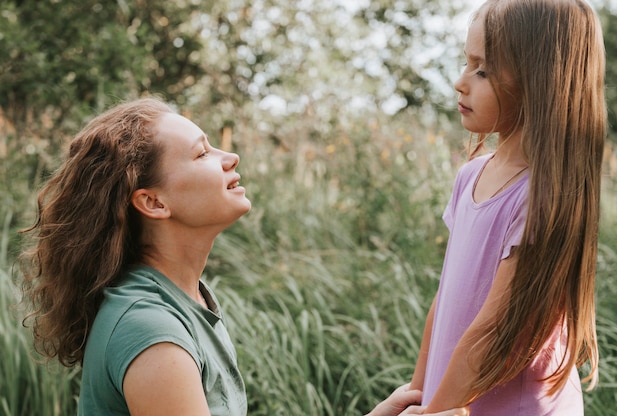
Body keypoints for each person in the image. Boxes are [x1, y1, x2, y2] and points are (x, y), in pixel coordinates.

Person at [19, 97, 467, 416]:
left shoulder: (183, 300)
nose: (228, 156)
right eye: (202, 153)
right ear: (153, 203)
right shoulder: (153, 332)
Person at [407, 0, 606, 414]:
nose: (461, 82)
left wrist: (432, 411)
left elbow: (492, 330)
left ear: (538, 81)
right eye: (467, 64)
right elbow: (444, 300)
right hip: (452, 405)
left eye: (482, 70)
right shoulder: (470, 177)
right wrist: (419, 395)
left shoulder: (542, 197)